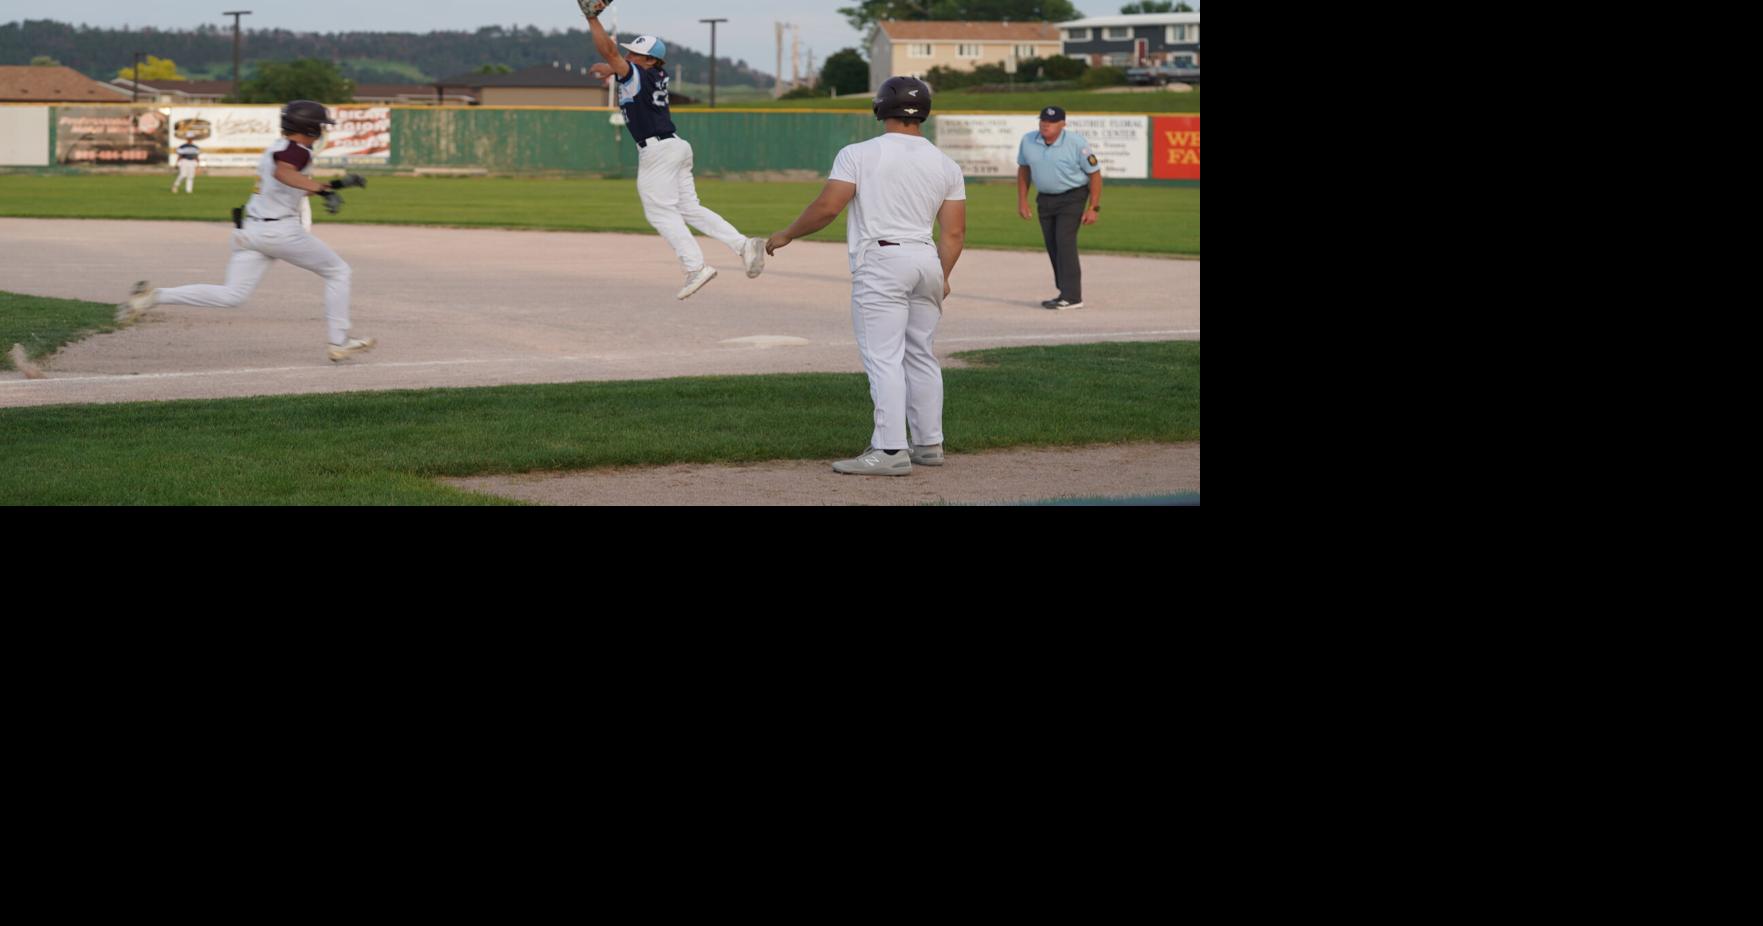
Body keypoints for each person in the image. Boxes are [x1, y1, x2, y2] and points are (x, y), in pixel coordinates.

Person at [765, 76, 966, 477]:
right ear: (923, 111)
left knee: (883, 357)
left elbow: (827, 208)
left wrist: (787, 233)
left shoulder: (858, 153)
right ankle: (928, 444)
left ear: (880, 108)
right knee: (921, 355)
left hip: (882, 259)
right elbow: (954, 233)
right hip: (926, 259)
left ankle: (890, 451)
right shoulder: (945, 163)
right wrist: (942, 274)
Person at [116, 100, 375, 362]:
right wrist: (322, 190)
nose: (322, 130)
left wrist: (337, 185)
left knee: (232, 295)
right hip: (279, 231)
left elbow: (293, 184)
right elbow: (283, 174)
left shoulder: (277, 148)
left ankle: (153, 297)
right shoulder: (299, 151)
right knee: (338, 271)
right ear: (309, 128)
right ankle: (339, 341)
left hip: (250, 231)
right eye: (320, 125)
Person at [580, 3, 766, 299]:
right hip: (675, 146)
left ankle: (695, 267)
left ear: (651, 61)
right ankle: (743, 245)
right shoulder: (654, 75)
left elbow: (611, 54)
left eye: (635, 54)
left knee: (659, 211)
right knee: (689, 208)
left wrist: (591, 18)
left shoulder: (639, 74)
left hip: (658, 151)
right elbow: (619, 65)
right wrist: (611, 68)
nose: (628, 56)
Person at [1017, 105, 1102, 310]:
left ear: (1063, 124)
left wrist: (1094, 207)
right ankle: (1064, 292)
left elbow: (1094, 174)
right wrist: (1022, 200)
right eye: (1043, 120)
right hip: (1045, 199)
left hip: (1072, 197)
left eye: (1052, 121)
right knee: (1052, 245)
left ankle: (1072, 296)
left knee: (1064, 241)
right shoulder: (1028, 140)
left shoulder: (1077, 143)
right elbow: (1024, 169)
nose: (1046, 124)